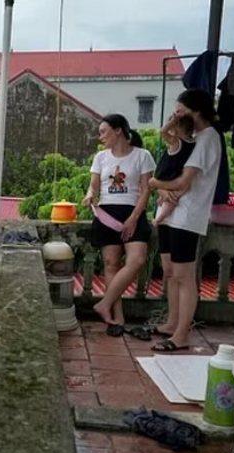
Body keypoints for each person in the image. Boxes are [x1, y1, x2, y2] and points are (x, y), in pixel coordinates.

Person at [147, 89, 223, 352]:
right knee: (169, 270)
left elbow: (184, 181)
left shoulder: (208, 138)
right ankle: (171, 322)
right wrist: (161, 188)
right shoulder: (189, 139)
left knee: (183, 275)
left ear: (195, 111)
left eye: (180, 110)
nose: (176, 115)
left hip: (188, 215)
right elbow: (172, 170)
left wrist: (156, 183)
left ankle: (181, 335)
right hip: (171, 213)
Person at [82, 114, 157, 336]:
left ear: (118, 131)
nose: (100, 136)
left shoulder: (142, 156)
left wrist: (133, 218)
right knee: (111, 264)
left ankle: (104, 303)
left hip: (133, 212)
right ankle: (117, 318)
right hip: (107, 213)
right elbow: (94, 186)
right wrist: (89, 196)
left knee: (137, 260)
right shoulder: (101, 158)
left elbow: (146, 190)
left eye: (104, 131)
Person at [153, 113, 197, 225]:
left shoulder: (176, 142)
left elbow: (162, 131)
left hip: (167, 176)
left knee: (171, 199)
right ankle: (163, 200)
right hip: (174, 175)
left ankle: (160, 218)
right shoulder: (193, 142)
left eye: (172, 128)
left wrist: (172, 121)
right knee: (180, 191)